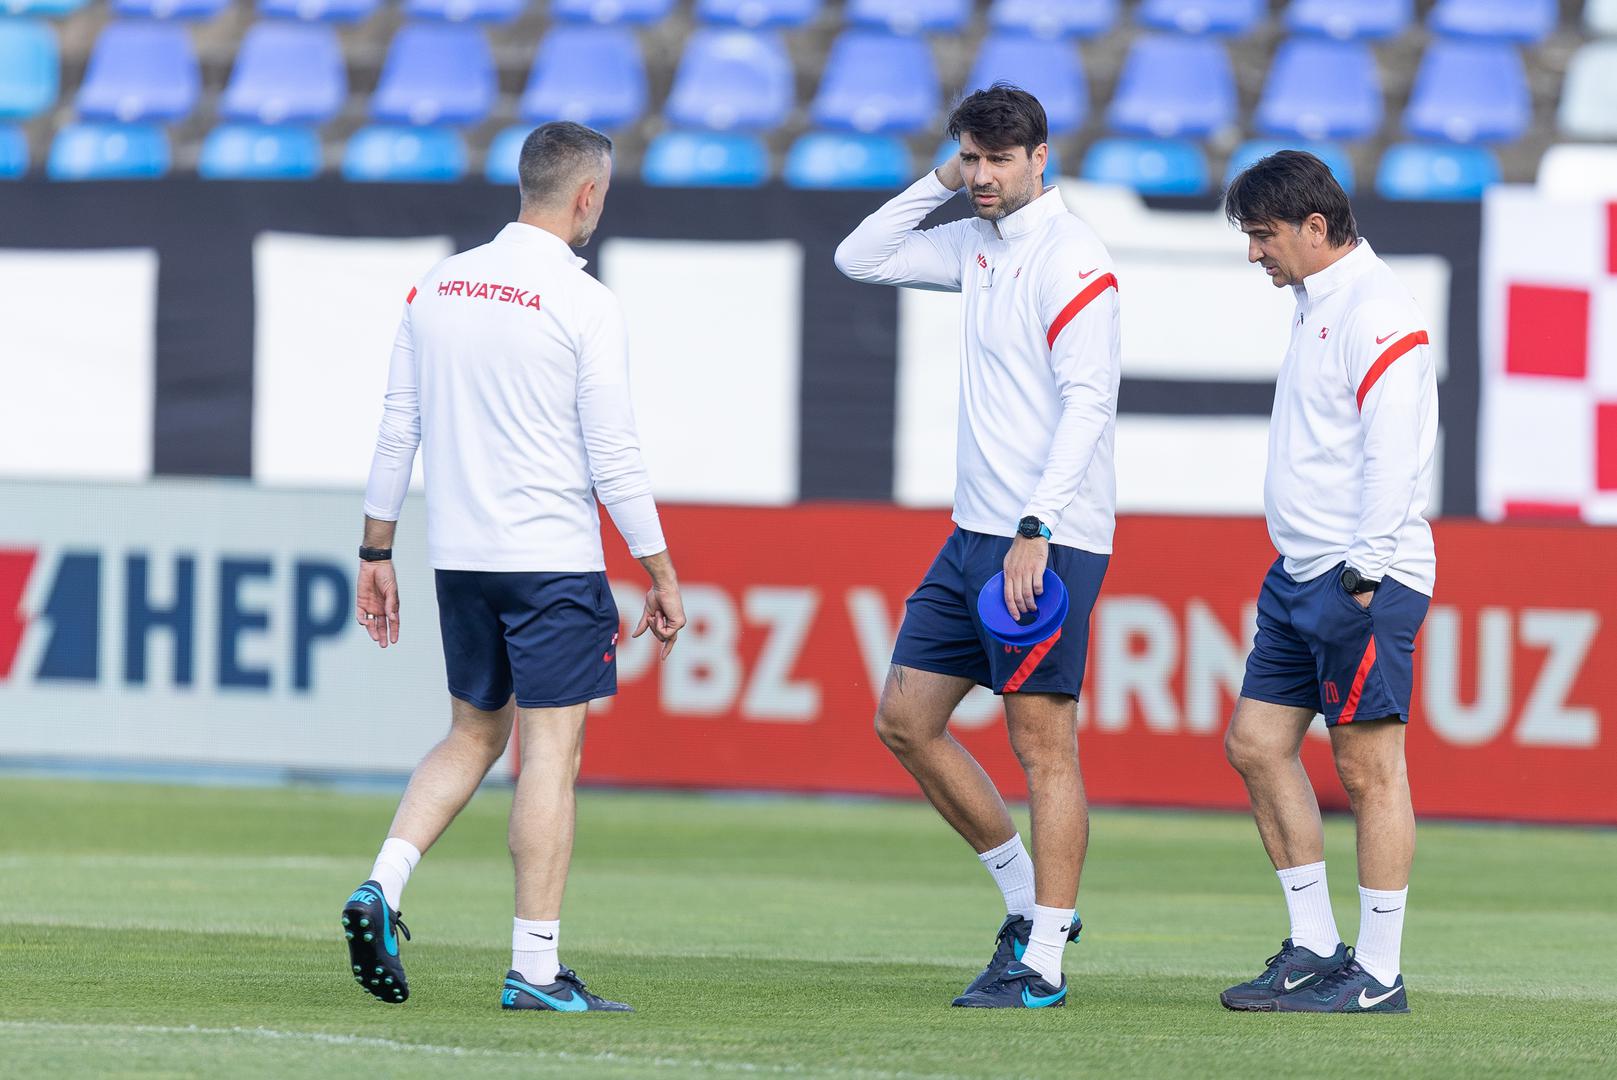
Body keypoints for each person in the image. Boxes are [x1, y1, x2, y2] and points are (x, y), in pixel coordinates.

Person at [341, 121, 686, 1014]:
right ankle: (534, 969)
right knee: (549, 758)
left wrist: (376, 550)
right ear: (587, 196)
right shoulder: (584, 301)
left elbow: (397, 427)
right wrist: (659, 570)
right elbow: (613, 455)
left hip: (460, 558)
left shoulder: (438, 284)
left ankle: (382, 882)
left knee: (472, 735)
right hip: (550, 562)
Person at [834, 84, 1121, 1010]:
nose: (983, 176)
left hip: (1045, 538)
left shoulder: (1072, 258)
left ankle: (1043, 964)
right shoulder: (975, 241)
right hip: (972, 535)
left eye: (999, 159)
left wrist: (1036, 528)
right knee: (904, 721)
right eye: (971, 157)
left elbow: (1089, 404)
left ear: (1041, 156)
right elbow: (858, 256)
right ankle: (1027, 906)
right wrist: (939, 180)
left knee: (1042, 747)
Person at [1219, 151, 1436, 1014]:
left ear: (1315, 227)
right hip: (1300, 571)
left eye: (1262, 235)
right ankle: (1313, 946)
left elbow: (1394, 451)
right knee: (1255, 744)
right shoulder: (1318, 301)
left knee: (1368, 769)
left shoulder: (1374, 310)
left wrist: (1364, 571)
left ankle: (1377, 973)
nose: (1253, 254)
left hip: (1359, 574)